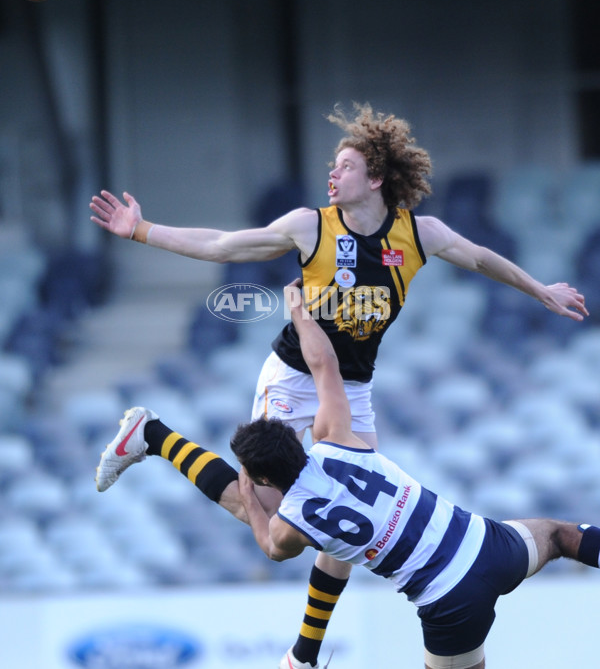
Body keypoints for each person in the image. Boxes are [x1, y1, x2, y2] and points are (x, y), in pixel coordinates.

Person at [90, 103, 588, 668]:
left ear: (375, 177)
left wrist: (540, 290)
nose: (332, 173)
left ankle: (303, 654)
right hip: (294, 374)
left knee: (349, 508)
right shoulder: (311, 226)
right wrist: (142, 230)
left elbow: (478, 259)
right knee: (272, 516)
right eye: (332, 164)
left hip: (351, 385)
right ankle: (149, 435)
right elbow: (224, 245)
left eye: (344, 165)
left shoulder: (419, 234)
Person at [96, 280, 600, 669]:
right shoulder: (339, 439)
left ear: (266, 479)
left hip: (449, 599)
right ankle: (153, 437)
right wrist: (297, 311)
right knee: (558, 535)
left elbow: (270, 545)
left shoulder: (293, 523)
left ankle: (155, 438)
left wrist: (249, 491)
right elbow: (325, 367)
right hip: (483, 540)